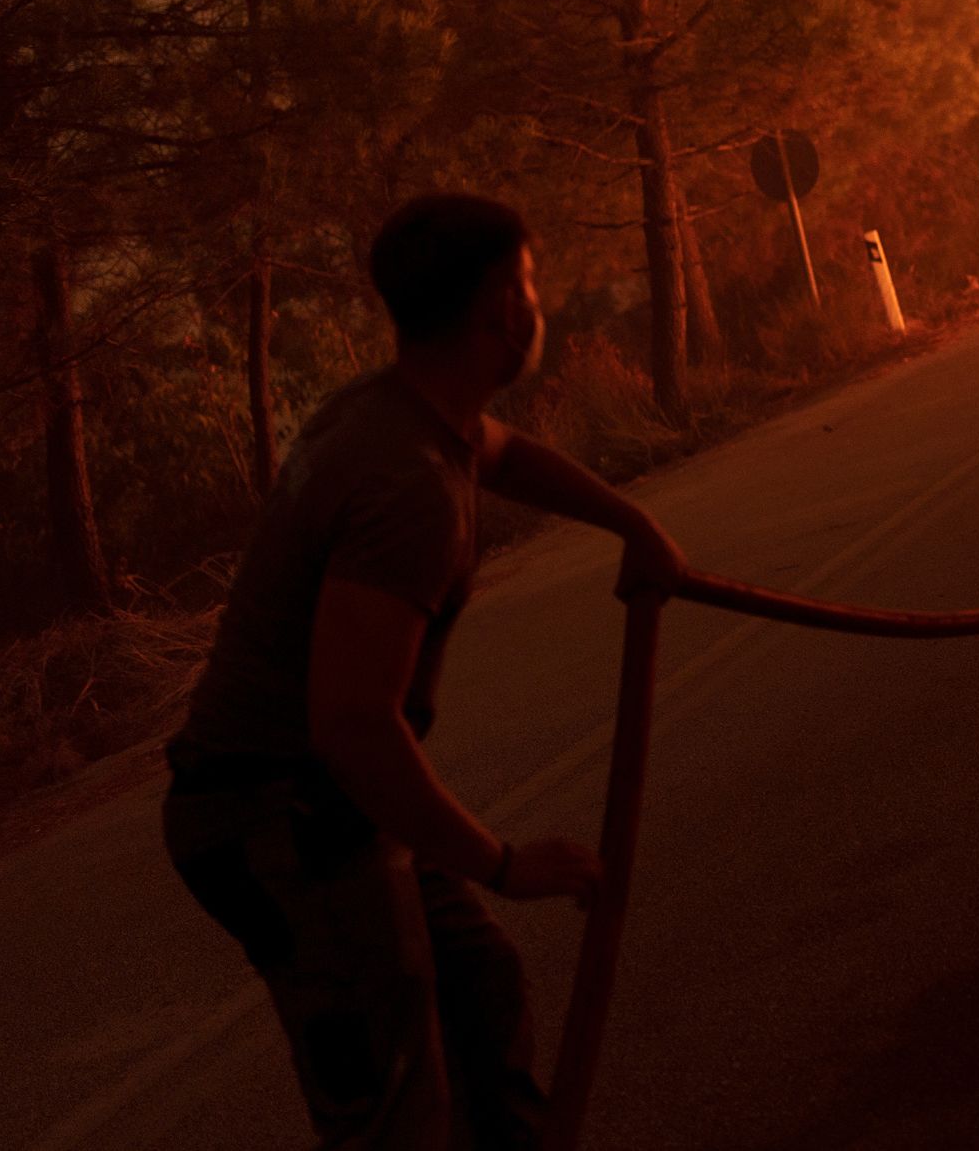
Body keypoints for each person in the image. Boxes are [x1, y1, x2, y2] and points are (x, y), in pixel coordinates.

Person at [162, 193, 688, 1150]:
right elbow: (356, 725)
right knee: (398, 1111)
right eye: (531, 281)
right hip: (281, 825)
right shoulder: (408, 483)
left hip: (323, 808)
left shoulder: (397, 412)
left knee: (476, 988)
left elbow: (506, 455)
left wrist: (632, 523)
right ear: (498, 305)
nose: (541, 303)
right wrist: (505, 863)